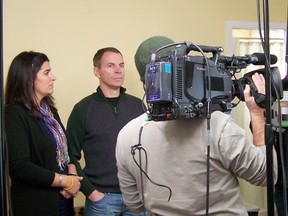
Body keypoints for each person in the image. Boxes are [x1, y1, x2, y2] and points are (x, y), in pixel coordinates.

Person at [115, 36, 278, 215]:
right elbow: (266, 175)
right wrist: (256, 113)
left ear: (146, 79)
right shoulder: (218, 125)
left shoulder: (127, 134)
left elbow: (135, 204)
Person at [66, 47, 146, 215]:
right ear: (97, 71)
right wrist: (91, 193)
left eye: (121, 65)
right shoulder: (83, 109)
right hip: (102, 201)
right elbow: (70, 155)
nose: (118, 70)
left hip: (136, 198)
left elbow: (149, 148)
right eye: (110, 66)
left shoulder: (138, 106)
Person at [4, 51, 83, 216]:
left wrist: (72, 175)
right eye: (46, 73)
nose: (53, 77)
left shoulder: (50, 111)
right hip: (37, 204)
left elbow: (66, 150)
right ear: (28, 78)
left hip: (63, 198)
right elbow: (20, 166)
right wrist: (66, 181)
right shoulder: (14, 114)